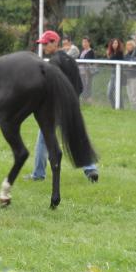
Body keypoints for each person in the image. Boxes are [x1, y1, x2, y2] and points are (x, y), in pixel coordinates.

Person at [25, 30, 99, 182]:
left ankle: (38, 174)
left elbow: (51, 89)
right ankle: (90, 169)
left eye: (46, 43)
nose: (44, 47)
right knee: (78, 137)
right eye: (42, 44)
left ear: (54, 43)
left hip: (56, 108)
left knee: (42, 139)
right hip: (72, 106)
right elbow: (80, 86)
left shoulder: (53, 63)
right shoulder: (71, 60)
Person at [124, 39, 136, 110]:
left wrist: (132, 62)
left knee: (134, 95)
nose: (128, 47)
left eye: (130, 45)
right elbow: (124, 63)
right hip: (128, 77)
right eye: (127, 45)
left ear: (133, 46)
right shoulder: (126, 55)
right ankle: (133, 111)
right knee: (130, 96)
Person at [106, 38, 124, 108]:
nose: (115, 44)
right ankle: (114, 107)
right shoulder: (112, 53)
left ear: (118, 44)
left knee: (118, 93)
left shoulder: (120, 52)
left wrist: (108, 55)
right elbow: (108, 63)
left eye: (116, 43)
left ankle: (121, 108)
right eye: (113, 43)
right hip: (113, 75)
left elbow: (112, 60)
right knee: (109, 93)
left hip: (119, 75)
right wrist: (108, 55)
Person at [78, 36, 96, 101]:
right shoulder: (82, 51)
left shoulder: (91, 52)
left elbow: (88, 62)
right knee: (83, 86)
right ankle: (84, 100)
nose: (84, 43)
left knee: (87, 86)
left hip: (87, 73)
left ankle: (88, 100)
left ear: (89, 43)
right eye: (83, 42)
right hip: (81, 72)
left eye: (85, 42)